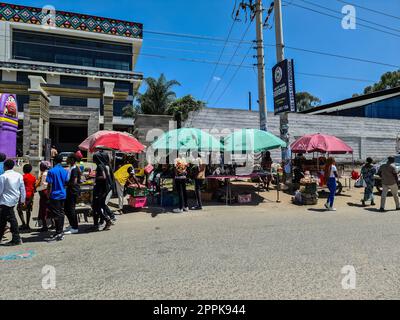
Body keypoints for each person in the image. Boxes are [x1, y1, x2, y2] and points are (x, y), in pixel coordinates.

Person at [0, 159, 25, 246]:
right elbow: (22, 189)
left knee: (11, 219)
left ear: (5, 167)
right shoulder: (18, 175)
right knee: (3, 219)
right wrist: (22, 200)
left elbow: (0, 190)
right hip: (14, 199)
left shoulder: (3, 176)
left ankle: (16, 238)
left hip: (5, 200)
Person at [46, 154, 69, 242]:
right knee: (61, 213)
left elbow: (50, 185)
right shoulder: (64, 171)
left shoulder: (51, 171)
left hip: (54, 195)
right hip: (63, 194)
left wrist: (48, 195)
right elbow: (66, 182)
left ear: (54, 161)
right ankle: (60, 231)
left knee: (56, 214)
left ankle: (58, 232)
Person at [92, 152, 112, 231]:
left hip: (100, 190)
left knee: (97, 207)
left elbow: (103, 177)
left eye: (94, 158)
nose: (93, 160)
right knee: (99, 206)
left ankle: (107, 220)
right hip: (103, 189)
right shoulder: (102, 165)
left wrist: (95, 177)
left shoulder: (100, 166)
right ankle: (104, 220)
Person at [64, 155, 81, 235]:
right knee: (67, 209)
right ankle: (71, 224)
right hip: (70, 191)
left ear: (72, 160)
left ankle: (75, 227)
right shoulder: (71, 168)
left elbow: (74, 181)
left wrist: (66, 184)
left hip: (72, 191)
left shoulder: (75, 169)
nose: (66, 160)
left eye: (68, 158)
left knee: (71, 209)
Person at [17, 164, 36, 231]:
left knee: (19, 209)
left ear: (23, 170)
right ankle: (27, 225)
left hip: (23, 195)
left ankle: (23, 223)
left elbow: (20, 187)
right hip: (30, 195)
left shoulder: (22, 177)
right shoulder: (33, 177)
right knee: (28, 210)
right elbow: (34, 186)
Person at [36, 161, 52, 232]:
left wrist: (36, 188)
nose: (40, 168)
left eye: (41, 166)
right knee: (49, 209)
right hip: (47, 192)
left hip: (44, 193)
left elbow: (44, 185)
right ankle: (52, 224)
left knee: (43, 209)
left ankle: (45, 226)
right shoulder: (47, 173)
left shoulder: (44, 174)